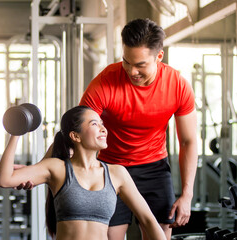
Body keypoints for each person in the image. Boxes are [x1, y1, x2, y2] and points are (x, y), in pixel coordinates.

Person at [17, 18, 198, 240]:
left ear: (159, 57)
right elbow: (74, 131)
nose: (132, 71)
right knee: (110, 235)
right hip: (110, 168)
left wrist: (187, 194)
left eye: (140, 65)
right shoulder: (105, 82)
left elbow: (188, 141)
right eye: (126, 62)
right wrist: (37, 171)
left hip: (154, 167)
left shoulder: (178, 85)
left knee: (160, 233)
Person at [0, 105, 167, 240]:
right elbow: (4, 179)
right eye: (94, 124)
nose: (103, 129)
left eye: (102, 124)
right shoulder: (57, 168)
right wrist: (16, 132)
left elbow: (148, 221)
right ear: (75, 136)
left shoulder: (117, 173)